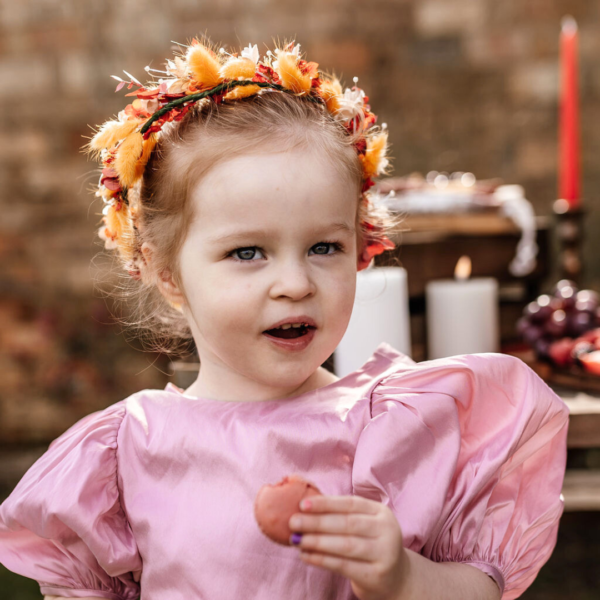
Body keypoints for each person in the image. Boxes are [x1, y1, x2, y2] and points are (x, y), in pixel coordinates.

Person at [0, 37, 568, 600]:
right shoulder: (121, 455)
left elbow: (479, 590)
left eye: (324, 247)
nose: (296, 283)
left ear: (360, 244)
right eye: (247, 253)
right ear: (165, 270)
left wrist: (403, 578)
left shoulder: (397, 430)